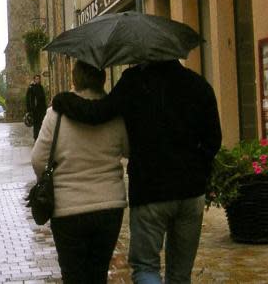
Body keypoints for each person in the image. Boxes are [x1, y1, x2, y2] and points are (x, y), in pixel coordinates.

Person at [52, 60, 222, 284]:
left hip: (151, 190)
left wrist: (63, 99)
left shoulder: (134, 81)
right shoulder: (199, 85)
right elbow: (213, 140)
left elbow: (97, 113)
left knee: (146, 268)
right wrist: (197, 169)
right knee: (180, 275)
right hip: (191, 192)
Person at [31, 61, 129, 283]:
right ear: (103, 78)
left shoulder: (55, 115)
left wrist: (51, 179)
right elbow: (128, 149)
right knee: (98, 274)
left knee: (73, 275)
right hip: (109, 205)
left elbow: (38, 160)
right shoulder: (115, 113)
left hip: (68, 208)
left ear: (74, 79)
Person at [25, 75, 47, 140]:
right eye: (36, 79)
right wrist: (29, 109)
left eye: (39, 79)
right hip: (35, 110)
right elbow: (28, 99)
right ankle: (36, 138)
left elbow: (43, 99)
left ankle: (41, 137)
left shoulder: (41, 87)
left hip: (42, 109)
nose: (38, 80)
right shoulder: (31, 88)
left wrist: (45, 108)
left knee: (42, 123)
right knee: (36, 125)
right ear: (34, 80)